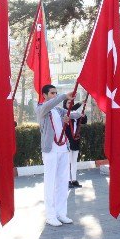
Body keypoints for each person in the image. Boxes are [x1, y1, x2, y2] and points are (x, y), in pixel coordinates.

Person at [36, 85, 80, 227]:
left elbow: (70, 114)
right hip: (50, 150)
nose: (55, 95)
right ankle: (50, 215)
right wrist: (63, 96)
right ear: (44, 95)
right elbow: (49, 105)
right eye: (52, 93)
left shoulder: (57, 109)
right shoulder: (42, 108)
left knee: (62, 182)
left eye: (56, 93)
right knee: (50, 182)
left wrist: (79, 112)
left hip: (62, 148)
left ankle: (61, 213)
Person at [63, 99, 88, 188]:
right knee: (68, 162)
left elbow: (84, 121)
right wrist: (80, 103)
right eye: (69, 103)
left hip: (75, 140)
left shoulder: (76, 114)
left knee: (74, 162)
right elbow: (71, 110)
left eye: (72, 103)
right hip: (67, 140)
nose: (71, 105)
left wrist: (83, 116)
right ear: (64, 104)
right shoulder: (64, 113)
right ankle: (67, 180)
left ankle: (74, 179)